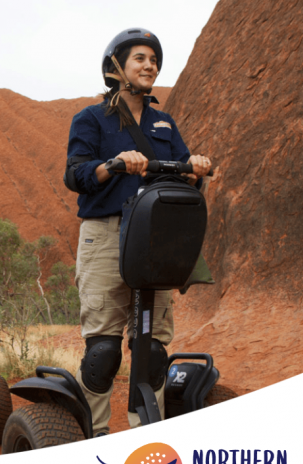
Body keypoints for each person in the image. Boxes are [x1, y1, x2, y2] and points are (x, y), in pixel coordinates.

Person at [64, 28, 212, 436]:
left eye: (153, 60)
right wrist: (112, 163)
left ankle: (146, 439)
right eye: (140, 59)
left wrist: (195, 169)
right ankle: (92, 436)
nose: (150, 66)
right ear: (116, 68)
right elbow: (75, 175)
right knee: (104, 350)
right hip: (107, 233)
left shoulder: (164, 123)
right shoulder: (91, 119)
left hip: (155, 237)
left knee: (151, 349)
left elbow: (183, 176)